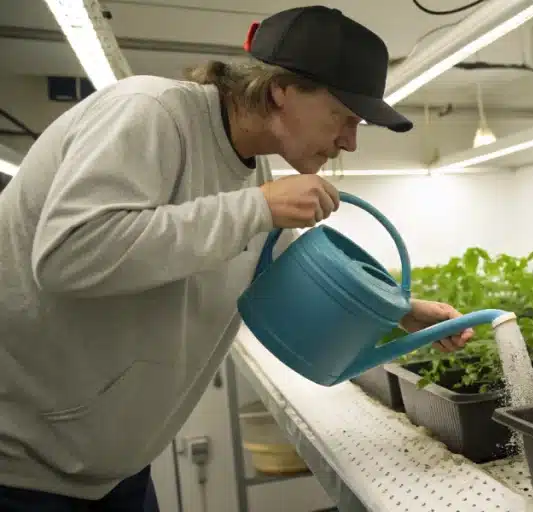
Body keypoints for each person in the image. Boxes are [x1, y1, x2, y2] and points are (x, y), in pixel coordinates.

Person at [0, 5, 473, 511]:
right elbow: (69, 254)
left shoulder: (254, 169)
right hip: (24, 473)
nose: (349, 142)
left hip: (114, 472)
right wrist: (255, 208)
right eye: (345, 117)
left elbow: (287, 277)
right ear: (281, 90)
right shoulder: (148, 113)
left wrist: (401, 311)